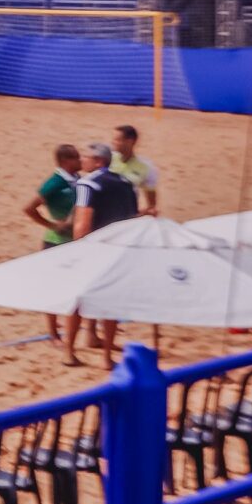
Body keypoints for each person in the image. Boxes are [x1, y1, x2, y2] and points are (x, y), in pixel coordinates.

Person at [63, 142, 142, 366]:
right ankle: (107, 356)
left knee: (77, 301)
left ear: (98, 162)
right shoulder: (126, 184)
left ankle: (69, 351)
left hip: (95, 248)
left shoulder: (88, 183)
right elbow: (133, 218)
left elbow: (83, 222)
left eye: (86, 157)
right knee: (110, 303)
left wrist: (78, 250)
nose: (82, 161)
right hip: (119, 250)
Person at [23, 144, 84, 342]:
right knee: (53, 286)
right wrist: (51, 225)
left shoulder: (77, 179)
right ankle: (53, 332)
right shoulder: (55, 182)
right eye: (76, 158)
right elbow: (29, 208)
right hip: (56, 241)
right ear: (66, 161)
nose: (81, 161)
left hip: (75, 240)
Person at [110, 123, 161, 214]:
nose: (113, 142)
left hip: (125, 213)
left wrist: (144, 212)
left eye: (117, 140)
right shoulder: (107, 159)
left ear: (130, 141)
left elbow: (151, 204)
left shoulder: (146, 167)